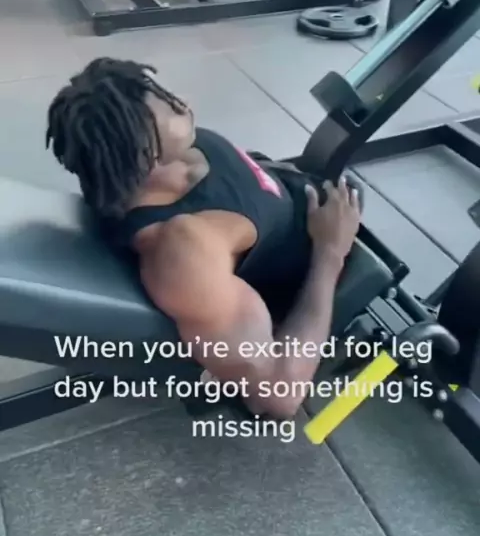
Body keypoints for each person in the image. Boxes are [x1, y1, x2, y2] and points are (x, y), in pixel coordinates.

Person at [46, 57, 362, 419]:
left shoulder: (172, 156)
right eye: (170, 109)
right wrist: (330, 252)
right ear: (145, 154)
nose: (184, 102)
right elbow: (277, 395)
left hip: (304, 202)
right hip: (319, 261)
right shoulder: (183, 251)